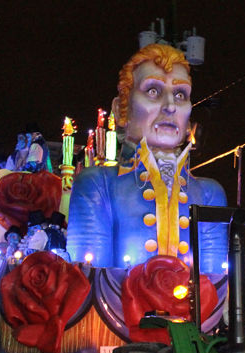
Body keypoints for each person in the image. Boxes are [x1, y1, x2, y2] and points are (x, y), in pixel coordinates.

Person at [67, 44, 227, 273]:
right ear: (121, 110)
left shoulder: (209, 194)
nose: (170, 106)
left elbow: (215, 284)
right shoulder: (98, 184)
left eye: (180, 94)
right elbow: (89, 279)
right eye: (153, 90)